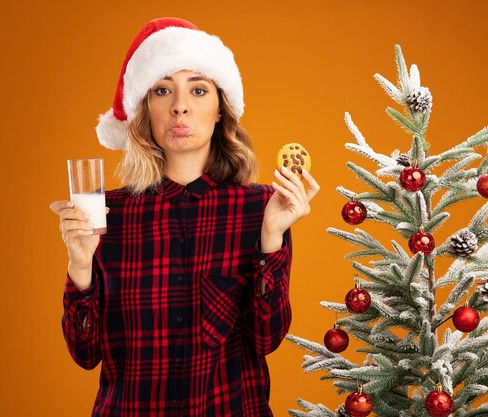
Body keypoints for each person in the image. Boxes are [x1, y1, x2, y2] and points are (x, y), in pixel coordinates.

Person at [49, 17, 319, 417]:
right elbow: (85, 354)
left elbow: (266, 340)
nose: (180, 105)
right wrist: (80, 265)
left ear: (219, 111)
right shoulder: (104, 213)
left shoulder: (262, 208)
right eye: (162, 90)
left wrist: (272, 238)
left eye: (198, 89)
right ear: (145, 111)